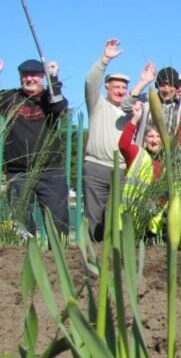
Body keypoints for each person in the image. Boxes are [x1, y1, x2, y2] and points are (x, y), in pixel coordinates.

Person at [0, 58, 69, 238]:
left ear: (41, 77)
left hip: (51, 171)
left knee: (58, 222)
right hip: (18, 172)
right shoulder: (10, 98)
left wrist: (54, 78)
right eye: (25, 75)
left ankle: (59, 259)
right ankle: (26, 259)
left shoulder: (49, 98)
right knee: (21, 224)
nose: (29, 79)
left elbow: (60, 107)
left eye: (34, 75)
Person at [83, 38, 137, 241]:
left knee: (116, 218)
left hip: (121, 170)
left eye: (124, 88)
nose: (120, 91)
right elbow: (90, 82)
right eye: (116, 87)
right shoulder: (97, 105)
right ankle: (92, 260)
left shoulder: (131, 112)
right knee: (94, 218)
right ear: (107, 88)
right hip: (96, 166)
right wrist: (105, 59)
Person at [119, 100, 164, 239]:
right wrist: (135, 119)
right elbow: (123, 145)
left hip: (153, 220)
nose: (154, 140)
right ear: (144, 139)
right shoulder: (136, 154)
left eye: (158, 137)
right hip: (129, 214)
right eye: (151, 136)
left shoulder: (166, 162)